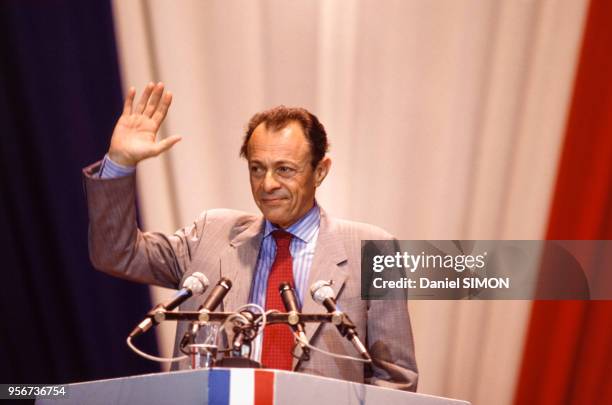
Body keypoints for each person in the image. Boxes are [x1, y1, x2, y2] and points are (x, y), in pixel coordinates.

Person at [83, 82, 418, 391]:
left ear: (320, 171)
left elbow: (395, 378)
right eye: (257, 168)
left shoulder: (372, 250)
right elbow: (116, 253)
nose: (267, 184)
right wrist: (120, 164)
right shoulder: (211, 235)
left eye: (285, 169)